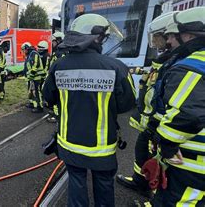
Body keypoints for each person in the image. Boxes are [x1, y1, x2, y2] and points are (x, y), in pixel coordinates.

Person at [43, 14, 136, 206]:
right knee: (104, 185)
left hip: (69, 143)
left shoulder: (58, 66)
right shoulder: (117, 67)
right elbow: (127, 104)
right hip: (102, 148)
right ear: (98, 38)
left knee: (76, 183)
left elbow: (48, 97)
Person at [116, 12, 180, 197]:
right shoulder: (166, 60)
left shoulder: (174, 64)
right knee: (143, 150)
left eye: (158, 37)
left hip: (162, 125)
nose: (155, 41)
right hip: (155, 123)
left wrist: (155, 124)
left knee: (165, 161)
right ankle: (142, 181)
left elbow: (166, 97)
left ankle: (152, 188)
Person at [152, 7, 205, 206]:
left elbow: (187, 115)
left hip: (192, 163)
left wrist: (165, 143)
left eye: (174, 36)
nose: (168, 42)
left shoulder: (192, 66)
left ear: (190, 35)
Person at [44, 31, 66, 123]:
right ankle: (56, 113)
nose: (52, 44)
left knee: (57, 97)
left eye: (53, 41)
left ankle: (57, 116)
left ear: (59, 41)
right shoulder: (59, 52)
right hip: (56, 79)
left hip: (58, 79)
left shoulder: (60, 53)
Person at [22, 42, 45, 113]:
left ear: (27, 48)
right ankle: (34, 104)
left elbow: (36, 65)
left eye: (24, 49)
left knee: (37, 92)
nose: (23, 51)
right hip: (33, 77)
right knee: (32, 91)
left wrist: (31, 75)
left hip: (36, 77)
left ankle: (40, 107)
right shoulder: (30, 54)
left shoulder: (34, 53)